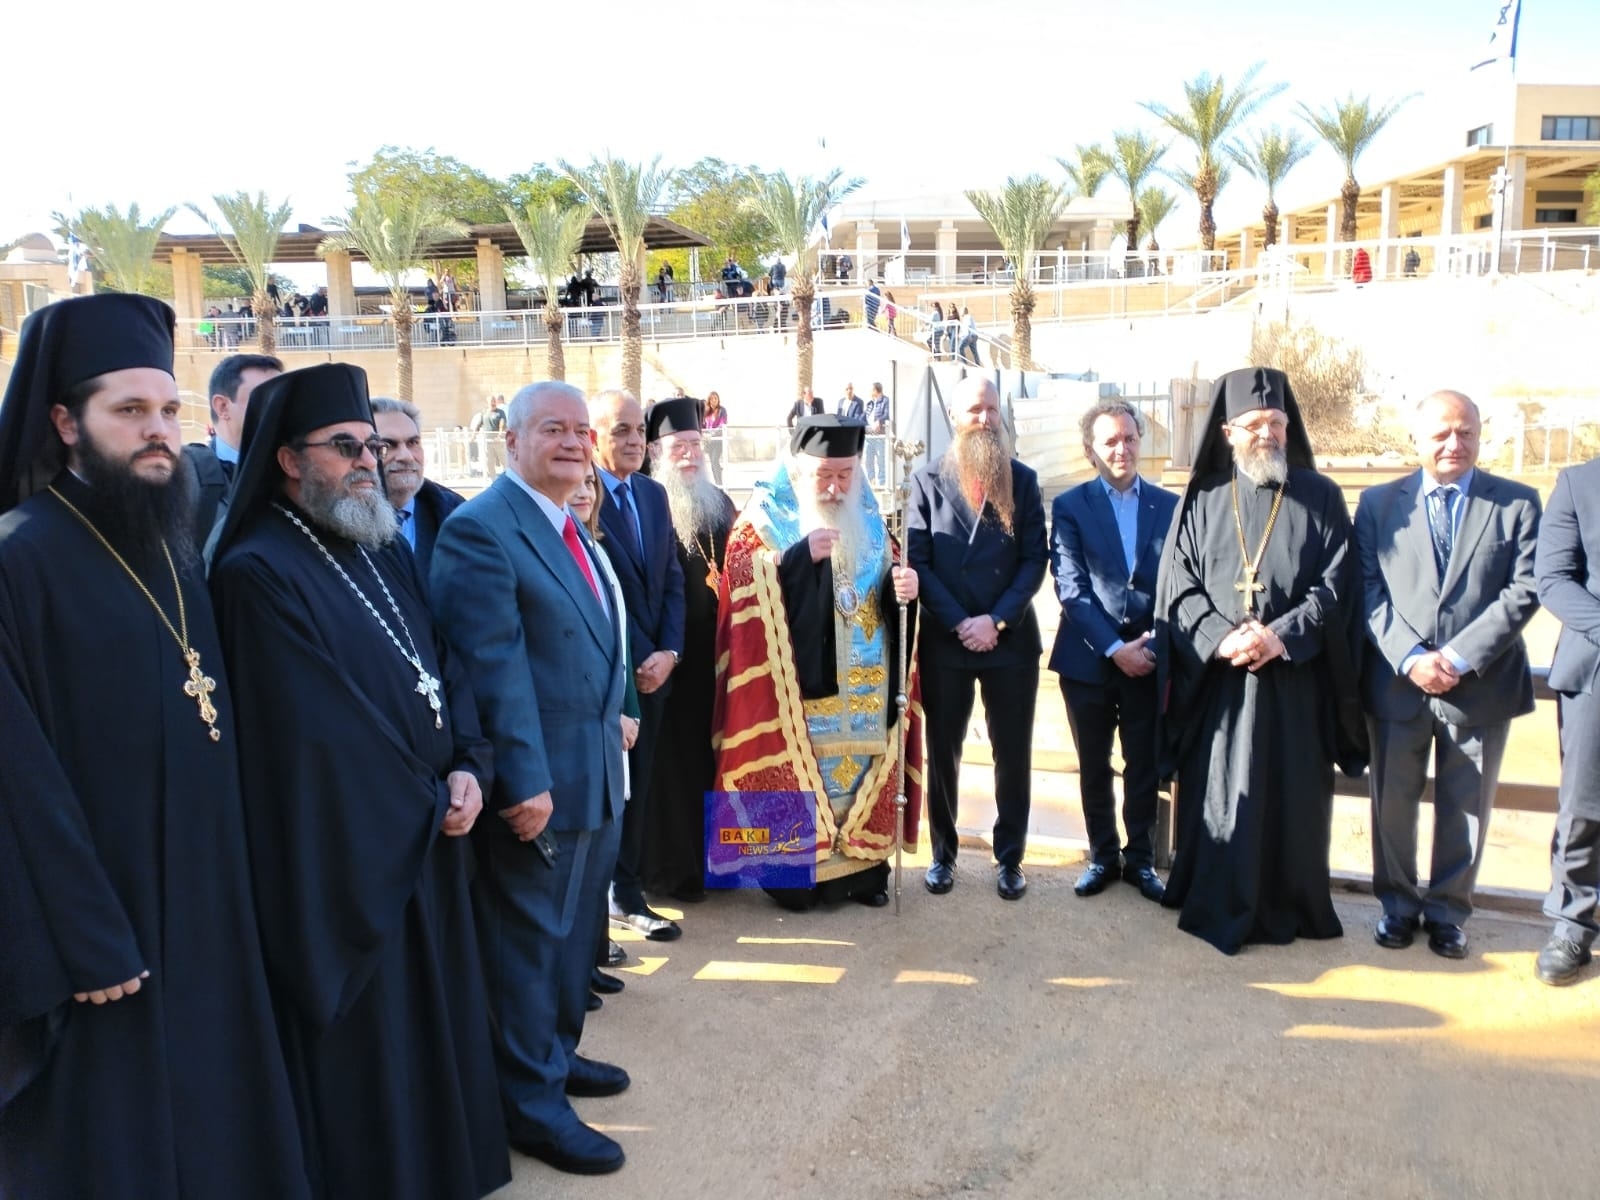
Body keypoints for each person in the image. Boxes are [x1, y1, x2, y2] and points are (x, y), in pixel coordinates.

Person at [0, 294, 308, 1198]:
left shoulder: (168, 543)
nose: (158, 431)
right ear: (65, 422)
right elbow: (16, 781)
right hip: (108, 915)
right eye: (129, 410)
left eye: (169, 409)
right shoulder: (18, 558)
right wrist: (84, 938)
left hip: (209, 895)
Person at [208, 363, 509, 1200]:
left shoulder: (379, 545)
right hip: (352, 856)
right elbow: (315, 736)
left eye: (371, 446)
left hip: (429, 831)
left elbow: (442, 667)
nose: (368, 462)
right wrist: (424, 797)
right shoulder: (255, 571)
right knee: (380, 1053)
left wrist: (469, 764)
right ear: (287, 459)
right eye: (345, 447)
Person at [430, 381, 633, 1176]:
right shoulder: (482, 529)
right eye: (554, 429)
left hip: (595, 773)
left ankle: (555, 1055)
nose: (575, 442)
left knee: (572, 941)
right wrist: (522, 781)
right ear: (510, 440)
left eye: (582, 430)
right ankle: (530, 1105)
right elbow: (493, 669)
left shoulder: (566, 525)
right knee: (527, 949)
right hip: (541, 785)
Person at [1156, 366, 1368, 955]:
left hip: (1294, 683)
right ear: (1228, 432)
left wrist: (1282, 636)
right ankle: (1214, 895)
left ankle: (1289, 902)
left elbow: (1338, 586)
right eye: (1254, 424)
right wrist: (1221, 637)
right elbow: (1178, 585)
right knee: (1219, 791)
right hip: (1219, 685)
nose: (1267, 433)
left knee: (1291, 796)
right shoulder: (1202, 498)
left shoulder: (1321, 496)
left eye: (1277, 422)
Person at [1356, 390, 1540, 960]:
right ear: (1416, 439)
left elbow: (1525, 589)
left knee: (1466, 807)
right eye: (1440, 433)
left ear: (1481, 436)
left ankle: (1449, 913)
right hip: (1398, 683)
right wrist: (1412, 657)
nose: (1453, 444)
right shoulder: (1378, 504)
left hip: (1479, 686)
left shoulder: (1517, 503)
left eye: (1465, 432)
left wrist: (1458, 657)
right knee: (1393, 804)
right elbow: (1367, 589)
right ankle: (1397, 906)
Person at [713, 415, 922, 908]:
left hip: (865, 693)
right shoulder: (763, 518)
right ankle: (789, 874)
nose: (834, 487)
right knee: (802, 785)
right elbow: (741, 575)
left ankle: (863, 873)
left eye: (845, 475)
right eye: (824, 475)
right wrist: (795, 560)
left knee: (861, 775)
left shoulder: (869, 517)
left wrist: (905, 590)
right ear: (799, 468)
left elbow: (887, 578)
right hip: (795, 699)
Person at [907, 377, 1048, 900]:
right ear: (955, 417)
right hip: (947, 640)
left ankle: (1010, 858)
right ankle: (942, 854)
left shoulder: (1023, 481)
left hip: (1010, 641)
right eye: (974, 409)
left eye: (991, 409)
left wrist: (996, 620)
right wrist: (961, 622)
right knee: (943, 753)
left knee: (1013, 755)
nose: (985, 418)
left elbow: (1034, 559)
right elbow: (919, 561)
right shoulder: (925, 480)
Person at [1050, 401, 1177, 902]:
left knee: (1142, 763)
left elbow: (1180, 587)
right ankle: (1103, 855)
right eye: (1109, 441)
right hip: (1088, 660)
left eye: (1129, 438)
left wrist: (1150, 645)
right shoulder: (1070, 506)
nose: (1121, 449)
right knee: (1094, 763)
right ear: (1090, 451)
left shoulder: (1169, 506)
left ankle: (1140, 859)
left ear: (1140, 441)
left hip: (1148, 658)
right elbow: (1071, 588)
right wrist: (1113, 647)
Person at [590, 388, 687, 941]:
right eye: (620, 430)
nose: (633, 441)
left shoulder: (653, 494)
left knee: (641, 786)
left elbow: (671, 579)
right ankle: (611, 896)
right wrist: (637, 664)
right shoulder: (581, 494)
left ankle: (625, 891)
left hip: (657, 673)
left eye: (639, 431)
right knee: (610, 793)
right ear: (594, 437)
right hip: (614, 679)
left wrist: (669, 653)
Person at [640, 398, 739, 901]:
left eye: (696, 445)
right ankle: (677, 872)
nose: (690, 454)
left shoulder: (721, 503)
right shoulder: (650, 503)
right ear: (656, 451)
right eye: (679, 445)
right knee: (674, 768)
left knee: (719, 757)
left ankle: (727, 864)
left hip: (721, 658)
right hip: (671, 659)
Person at [1533, 455, 1600, 986]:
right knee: (1583, 805)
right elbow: (1553, 579)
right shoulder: (1580, 484)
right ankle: (1572, 924)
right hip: (1595, 669)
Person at [188, 352, 283, 541]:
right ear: (222, 407)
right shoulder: (187, 480)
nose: (279, 411)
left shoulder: (300, 475)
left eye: (282, 401)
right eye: (265, 400)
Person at [371, 396, 464, 584]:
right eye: (387, 445)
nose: (406, 456)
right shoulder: (341, 523)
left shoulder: (456, 515)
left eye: (413, 443)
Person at [864, 381, 891, 487]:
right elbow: (865, 416)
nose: (870, 392)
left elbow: (887, 414)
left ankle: (882, 483)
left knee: (881, 461)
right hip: (869, 436)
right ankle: (872, 481)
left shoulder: (885, 400)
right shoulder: (870, 403)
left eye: (871, 390)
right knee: (868, 460)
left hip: (880, 436)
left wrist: (879, 421)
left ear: (875, 390)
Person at [702, 389, 729, 485]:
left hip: (718, 440)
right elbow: (703, 425)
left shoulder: (722, 410)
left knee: (714, 460)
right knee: (712, 463)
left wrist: (712, 434)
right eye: (712, 399)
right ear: (709, 400)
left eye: (715, 398)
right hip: (709, 441)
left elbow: (723, 424)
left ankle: (719, 483)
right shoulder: (706, 412)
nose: (714, 400)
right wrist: (704, 434)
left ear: (718, 399)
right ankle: (717, 482)